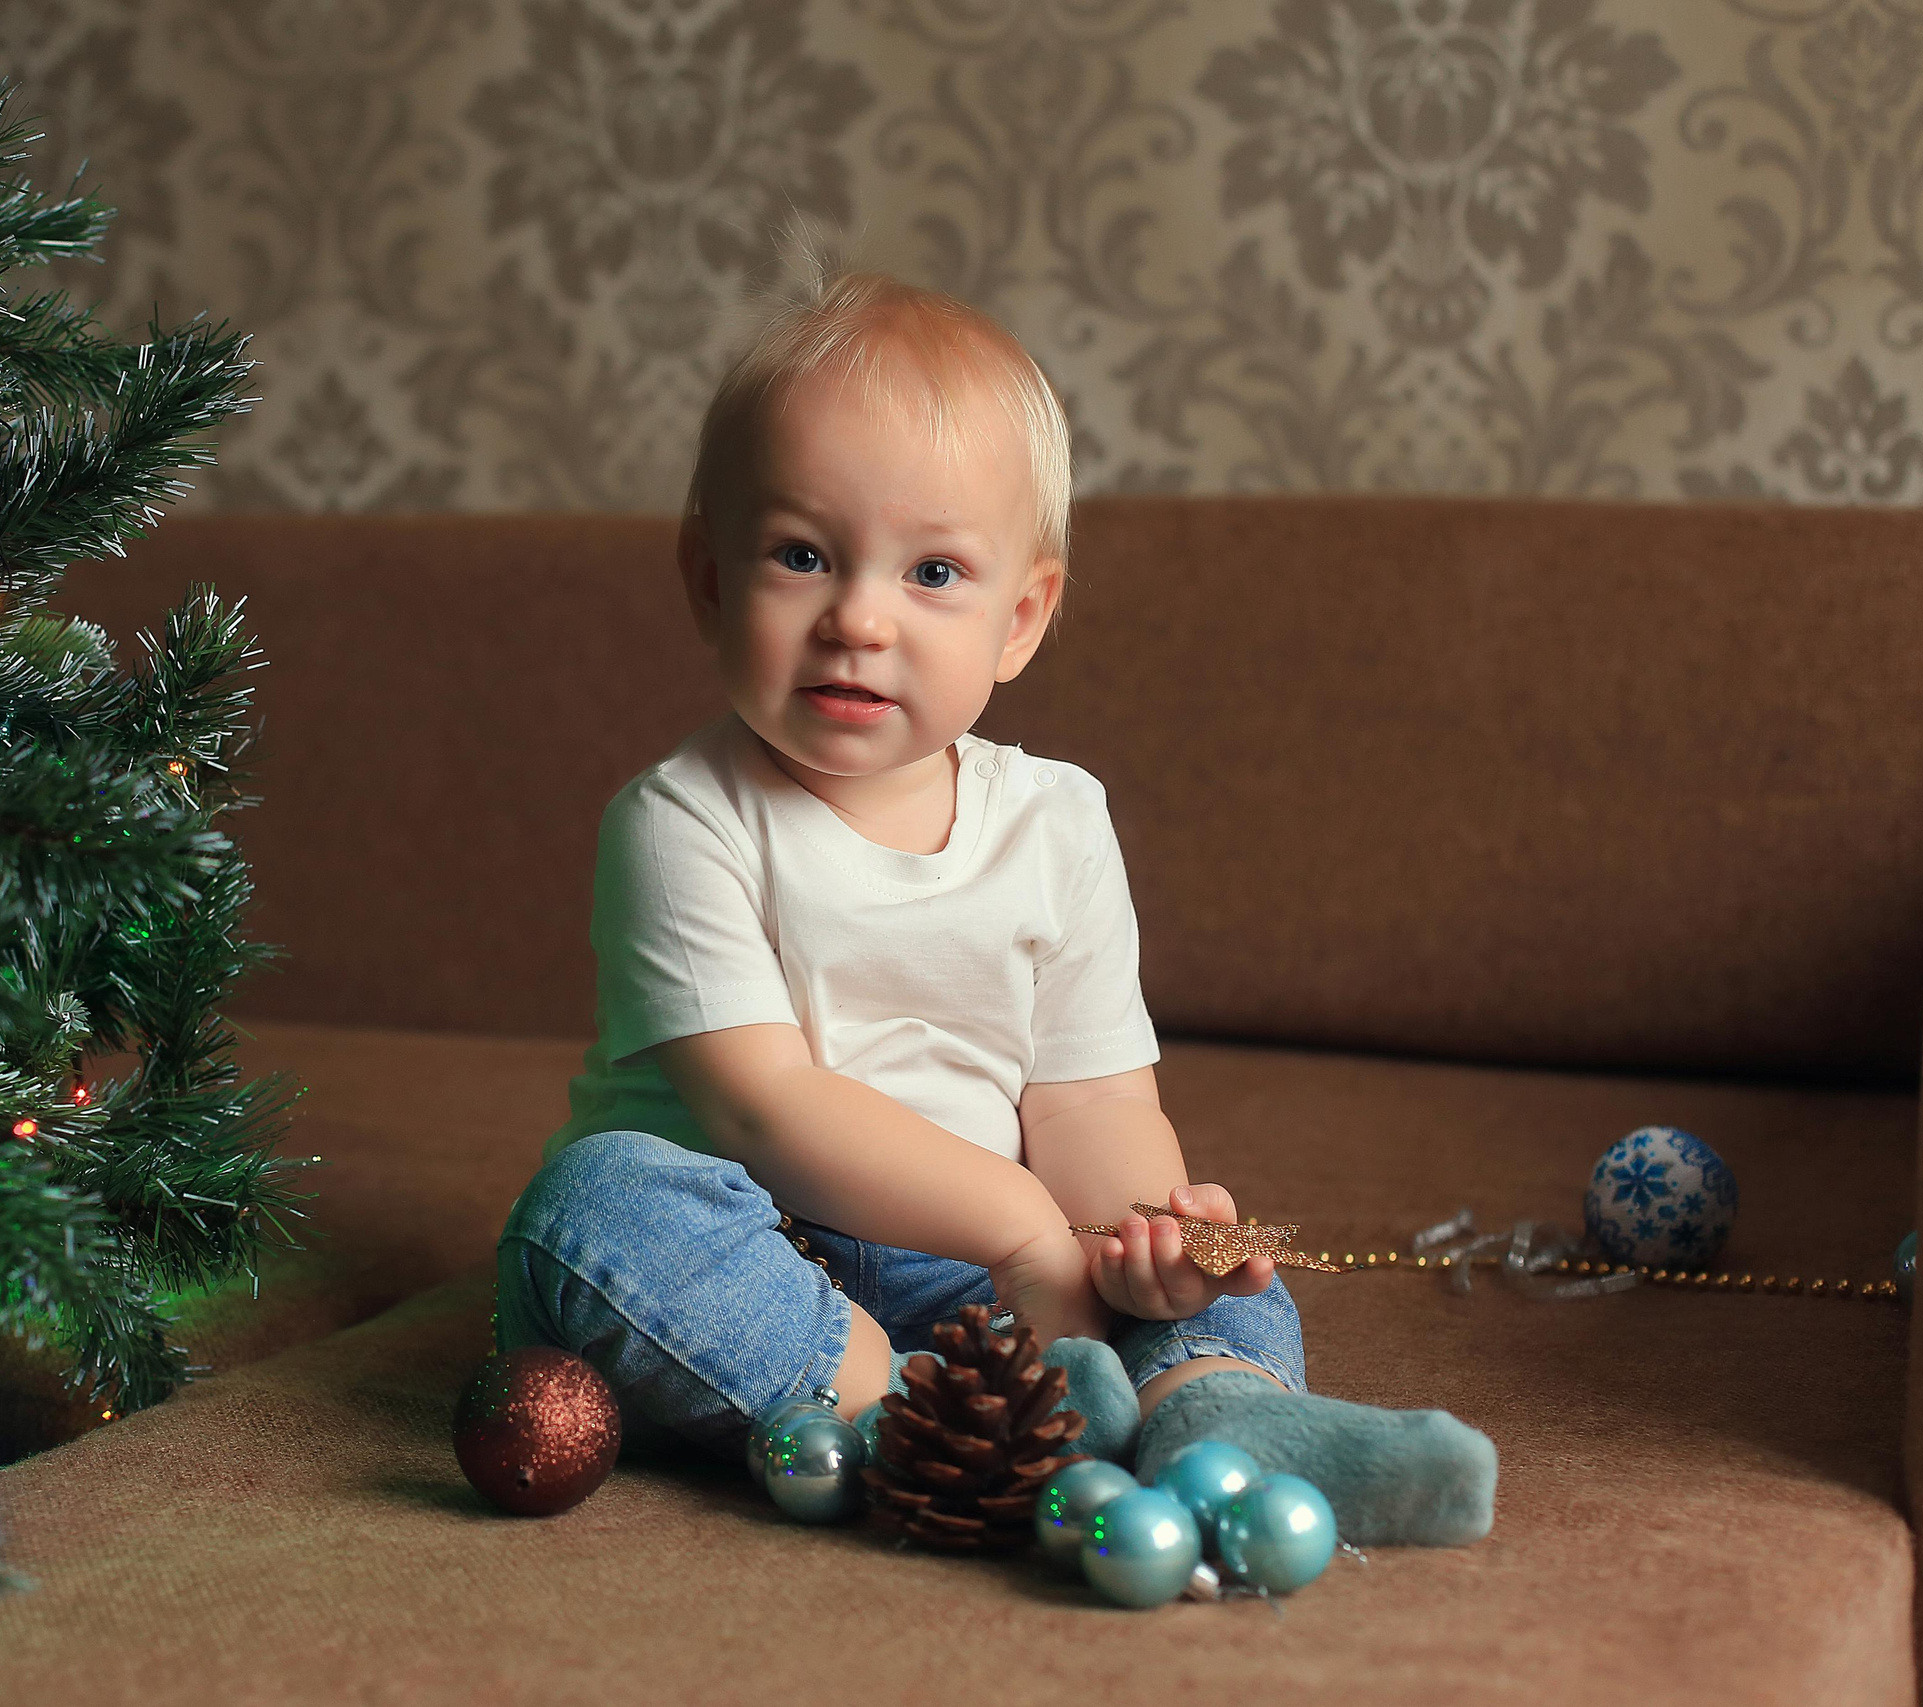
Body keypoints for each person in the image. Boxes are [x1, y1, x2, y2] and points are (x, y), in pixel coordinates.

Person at [494, 235, 1494, 1546]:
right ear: (708, 580)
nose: (860, 620)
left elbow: (1090, 1101)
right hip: (764, 1252)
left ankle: (1222, 1414)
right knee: (598, 1207)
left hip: (982, 1276)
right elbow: (763, 1106)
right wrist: (1023, 1228)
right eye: (801, 555)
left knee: (1213, 1256)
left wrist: (1136, 1244)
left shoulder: (1056, 823)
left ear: (1019, 620)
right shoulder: (681, 821)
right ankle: (918, 1424)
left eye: (932, 574)